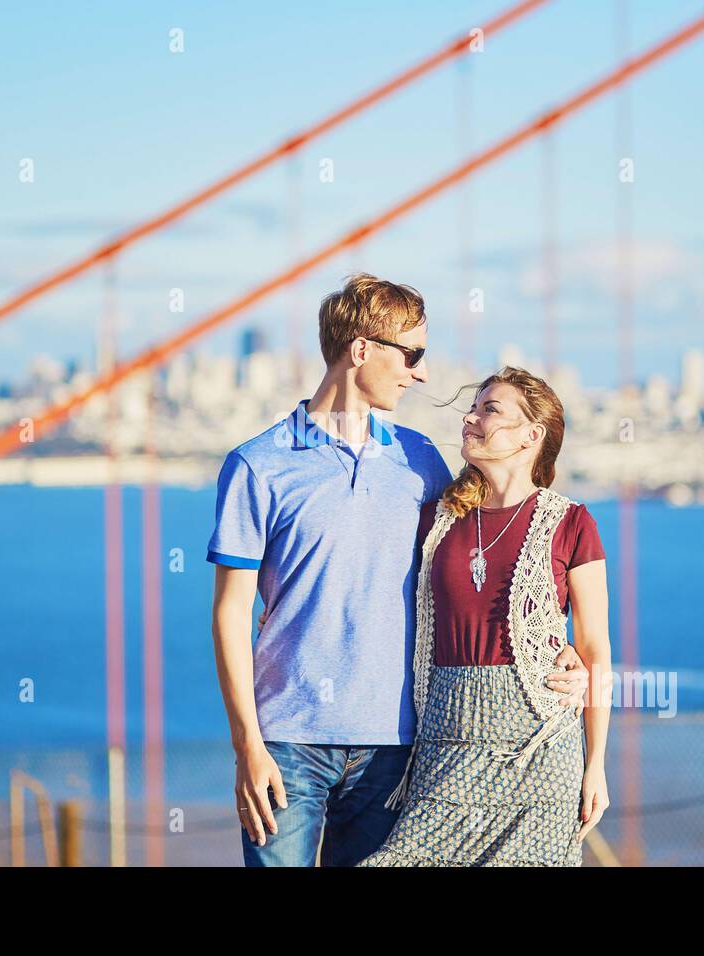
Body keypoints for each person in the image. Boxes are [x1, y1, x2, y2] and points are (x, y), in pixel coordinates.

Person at [209, 274, 590, 867]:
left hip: (397, 749)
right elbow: (231, 614)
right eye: (412, 355)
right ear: (362, 350)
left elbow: (495, 554)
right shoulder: (257, 467)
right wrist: (247, 747)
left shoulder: (422, 463)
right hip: (286, 743)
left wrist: (563, 654)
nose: (422, 373)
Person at [360, 367, 611, 866]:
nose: (470, 418)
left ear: (532, 435)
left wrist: (596, 765)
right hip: (444, 743)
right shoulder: (435, 520)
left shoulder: (571, 522)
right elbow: (374, 589)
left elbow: (596, 649)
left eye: (489, 409)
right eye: (472, 408)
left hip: (540, 753)